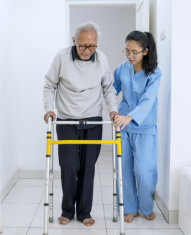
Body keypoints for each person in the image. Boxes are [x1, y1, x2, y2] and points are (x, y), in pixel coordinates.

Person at [43, 21, 118, 226]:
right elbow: (49, 85)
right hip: (67, 118)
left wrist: (113, 110)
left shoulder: (101, 59)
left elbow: (109, 88)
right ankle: (67, 210)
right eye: (83, 45)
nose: (87, 50)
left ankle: (84, 212)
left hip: (93, 118)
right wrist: (49, 108)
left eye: (92, 46)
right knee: (69, 165)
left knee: (88, 166)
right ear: (74, 41)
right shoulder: (61, 57)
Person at [113, 31, 161, 223]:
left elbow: (149, 100)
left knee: (144, 170)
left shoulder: (155, 73)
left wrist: (130, 116)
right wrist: (111, 109)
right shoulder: (121, 69)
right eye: (127, 51)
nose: (130, 56)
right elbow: (111, 90)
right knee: (123, 169)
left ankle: (146, 206)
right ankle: (130, 208)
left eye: (135, 52)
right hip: (123, 127)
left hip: (144, 126)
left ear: (145, 51)